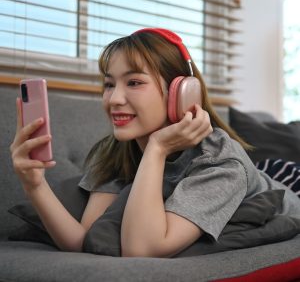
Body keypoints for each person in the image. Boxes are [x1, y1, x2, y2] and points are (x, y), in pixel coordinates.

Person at [10, 28, 300, 258]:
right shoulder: (116, 150)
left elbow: (142, 249)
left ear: (183, 92)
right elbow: (87, 240)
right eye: (109, 84)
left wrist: (157, 149)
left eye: (134, 83)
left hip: (285, 183)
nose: (114, 99)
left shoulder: (219, 162)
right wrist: (35, 185)